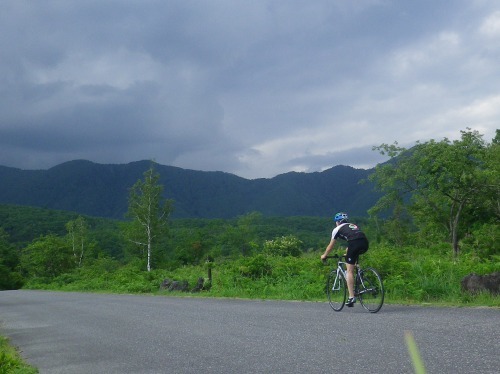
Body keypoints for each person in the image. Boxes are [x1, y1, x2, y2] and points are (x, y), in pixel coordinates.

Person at [320, 212, 369, 307]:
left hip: (354, 243)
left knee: (349, 271)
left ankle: (351, 297)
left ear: (338, 222)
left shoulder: (336, 229)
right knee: (352, 259)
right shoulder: (353, 225)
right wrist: (348, 251)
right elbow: (354, 238)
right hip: (364, 242)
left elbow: (331, 246)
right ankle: (359, 273)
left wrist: (324, 255)